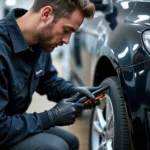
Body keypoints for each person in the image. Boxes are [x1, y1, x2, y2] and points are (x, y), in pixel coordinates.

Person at [0, 0, 98, 149]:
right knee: (54, 147)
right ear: (46, 14)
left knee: (72, 141)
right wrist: (50, 117)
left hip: (11, 124)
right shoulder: (2, 50)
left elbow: (49, 82)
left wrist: (74, 91)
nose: (66, 40)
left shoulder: (39, 43)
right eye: (66, 30)